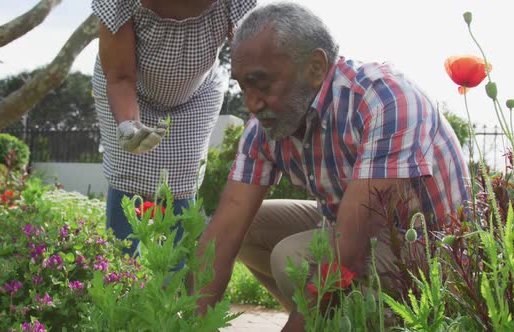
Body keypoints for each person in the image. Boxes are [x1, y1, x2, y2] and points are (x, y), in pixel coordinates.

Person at [194, 2, 470, 330]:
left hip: (433, 250)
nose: (252, 103)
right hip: (354, 230)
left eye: (263, 84)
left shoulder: (384, 102)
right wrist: (192, 324)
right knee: (251, 228)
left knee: (292, 259)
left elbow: (348, 252)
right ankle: (326, 321)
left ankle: (351, 322)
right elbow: (224, 230)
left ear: (314, 66)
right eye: (244, 86)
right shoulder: (267, 125)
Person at [91, 0, 256, 257]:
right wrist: (129, 125)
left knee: (181, 183)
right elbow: (121, 77)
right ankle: (120, 275)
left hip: (196, 95)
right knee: (127, 176)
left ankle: (174, 286)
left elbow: (251, 57)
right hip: (127, 91)